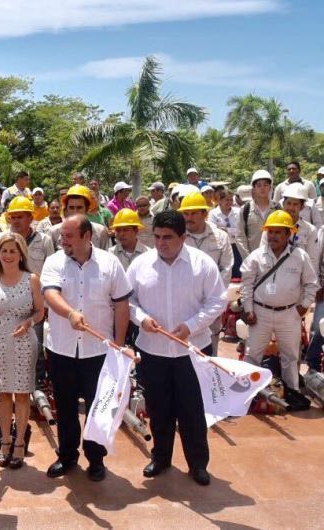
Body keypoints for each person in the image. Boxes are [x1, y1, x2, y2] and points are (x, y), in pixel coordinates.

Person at [126, 210, 226, 486]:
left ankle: (197, 465)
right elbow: (128, 300)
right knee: (159, 409)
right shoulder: (141, 265)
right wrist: (142, 319)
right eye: (157, 237)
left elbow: (218, 301)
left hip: (192, 351)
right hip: (153, 351)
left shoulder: (202, 264)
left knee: (192, 410)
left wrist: (191, 325)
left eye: (168, 237)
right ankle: (160, 458)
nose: (161, 243)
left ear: (183, 237)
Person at [40, 216, 131, 481]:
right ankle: (67, 456)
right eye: (62, 236)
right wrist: (69, 314)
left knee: (97, 407)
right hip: (62, 349)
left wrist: (119, 344)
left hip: (98, 351)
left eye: (68, 236)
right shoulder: (54, 261)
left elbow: (122, 304)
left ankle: (96, 459)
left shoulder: (110, 263)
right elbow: (50, 294)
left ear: (87, 236)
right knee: (65, 406)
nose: (62, 240)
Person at [0, 233, 43, 469]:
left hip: (24, 341)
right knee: (3, 394)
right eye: (4, 251)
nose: (8, 255)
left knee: (22, 394)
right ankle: (5, 442)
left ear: (21, 253)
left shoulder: (32, 279)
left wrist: (29, 323)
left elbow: (40, 311)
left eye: (13, 251)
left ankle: (20, 444)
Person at [240, 211, 317, 392]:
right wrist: (249, 309)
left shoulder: (300, 256)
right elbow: (246, 285)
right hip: (260, 313)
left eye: (277, 232)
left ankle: (292, 393)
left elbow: (312, 284)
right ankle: (248, 395)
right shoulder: (256, 256)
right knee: (252, 355)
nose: (272, 236)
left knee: (290, 357)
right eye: (270, 232)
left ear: (288, 234)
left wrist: (304, 306)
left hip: (290, 314)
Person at [177, 192, 233, 356]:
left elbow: (226, 269)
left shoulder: (220, 237)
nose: (189, 217)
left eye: (194, 213)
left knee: (209, 351)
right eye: (186, 213)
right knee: (183, 349)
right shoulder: (178, 238)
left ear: (205, 213)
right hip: (184, 304)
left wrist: (212, 299)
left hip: (211, 306)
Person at [235, 170, 278, 260]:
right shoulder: (245, 209)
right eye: (259, 185)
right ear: (253, 189)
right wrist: (248, 258)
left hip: (275, 259)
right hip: (252, 258)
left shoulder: (277, 208)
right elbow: (240, 237)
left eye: (266, 185)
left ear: (270, 187)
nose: (262, 188)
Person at [51, 185, 109, 250]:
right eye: (71, 208)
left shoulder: (100, 232)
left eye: (79, 208)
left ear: (87, 209)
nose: (75, 212)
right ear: (66, 209)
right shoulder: (54, 232)